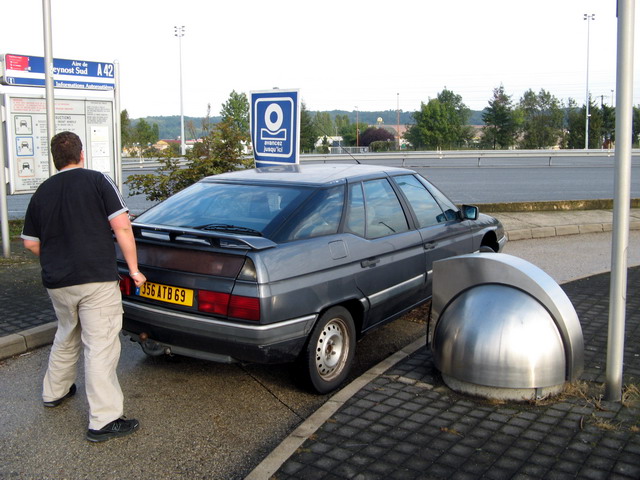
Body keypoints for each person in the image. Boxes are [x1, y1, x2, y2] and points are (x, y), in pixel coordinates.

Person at [21, 131, 147, 443]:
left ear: (55, 160)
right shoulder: (98, 181)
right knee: (100, 345)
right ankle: (104, 421)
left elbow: (29, 243)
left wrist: (55, 258)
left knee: (66, 334)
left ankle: (55, 392)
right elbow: (122, 227)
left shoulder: (42, 192)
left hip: (58, 282)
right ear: (81, 154)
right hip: (96, 278)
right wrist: (133, 270)